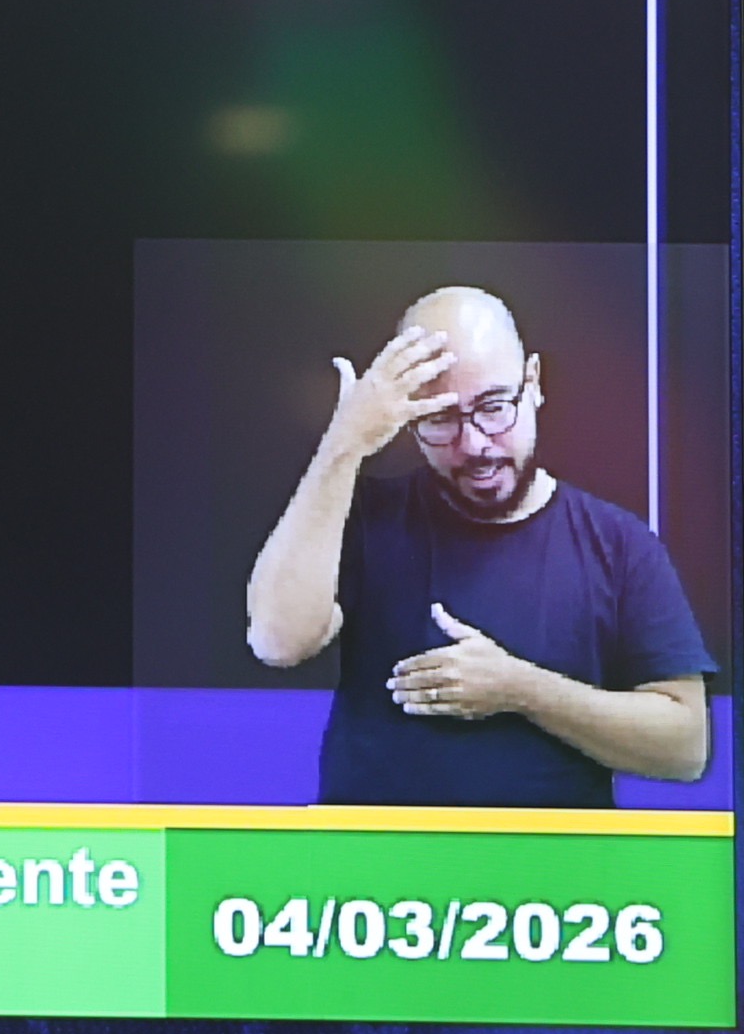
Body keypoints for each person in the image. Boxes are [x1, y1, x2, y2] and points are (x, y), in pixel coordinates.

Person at [245, 285, 714, 807]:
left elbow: (685, 746)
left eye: (493, 407)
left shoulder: (619, 545)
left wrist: (520, 689)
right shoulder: (363, 516)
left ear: (533, 383)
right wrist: (345, 441)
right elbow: (276, 641)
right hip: (374, 859)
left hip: (548, 861)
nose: (473, 445)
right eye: (440, 419)